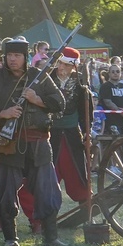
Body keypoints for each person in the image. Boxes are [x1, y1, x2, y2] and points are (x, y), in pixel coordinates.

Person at [0, 38, 67, 246]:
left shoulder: (39, 76)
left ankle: (51, 237)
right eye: (9, 55)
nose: (12, 59)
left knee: (47, 191)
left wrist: (37, 100)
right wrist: (3, 113)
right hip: (9, 144)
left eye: (17, 55)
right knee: (6, 193)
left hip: (39, 143)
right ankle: (10, 238)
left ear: (25, 57)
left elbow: (59, 102)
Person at [42, 47, 94, 219]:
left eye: (66, 65)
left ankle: (85, 212)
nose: (62, 68)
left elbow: (86, 114)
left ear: (73, 67)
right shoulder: (46, 81)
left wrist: (87, 133)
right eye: (60, 63)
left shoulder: (81, 86)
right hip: (49, 134)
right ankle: (47, 216)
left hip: (72, 136)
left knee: (78, 173)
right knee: (49, 174)